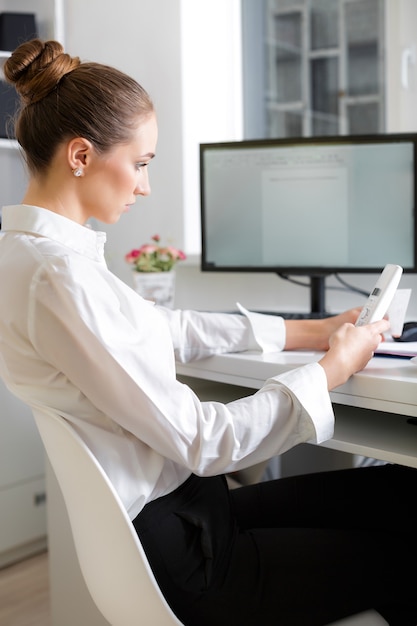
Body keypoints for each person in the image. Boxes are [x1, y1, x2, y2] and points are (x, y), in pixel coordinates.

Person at [0, 39, 415, 626]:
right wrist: (333, 370)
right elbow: (206, 440)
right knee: (404, 554)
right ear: (81, 156)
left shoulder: (35, 257)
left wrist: (313, 331)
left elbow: (165, 328)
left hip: (194, 515)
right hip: (196, 560)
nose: (144, 186)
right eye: (141, 163)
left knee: (399, 492)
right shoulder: (57, 276)